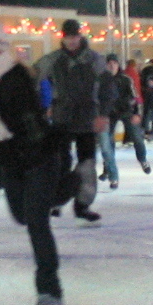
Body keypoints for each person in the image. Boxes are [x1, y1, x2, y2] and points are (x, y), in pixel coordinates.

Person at [0, 21, 68, 305]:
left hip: (38, 156)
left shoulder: (14, 78)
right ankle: (69, 186)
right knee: (21, 215)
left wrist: (32, 153)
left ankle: (49, 292)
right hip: (13, 162)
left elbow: (28, 120)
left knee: (36, 222)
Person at [34, 19, 107, 222]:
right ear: (63, 38)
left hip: (86, 118)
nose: (72, 41)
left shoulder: (93, 59)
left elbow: (108, 86)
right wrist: (37, 110)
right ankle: (56, 201)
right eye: (68, 37)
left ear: (80, 36)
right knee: (60, 162)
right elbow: (32, 78)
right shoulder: (53, 59)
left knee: (87, 164)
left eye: (75, 36)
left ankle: (82, 206)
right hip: (62, 118)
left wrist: (104, 113)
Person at [98, 54, 148, 186]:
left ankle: (142, 159)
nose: (112, 65)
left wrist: (137, 113)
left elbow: (136, 97)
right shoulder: (102, 79)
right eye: (109, 63)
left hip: (126, 111)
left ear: (118, 65)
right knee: (107, 142)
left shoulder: (125, 79)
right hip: (109, 113)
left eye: (114, 63)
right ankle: (107, 169)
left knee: (137, 136)